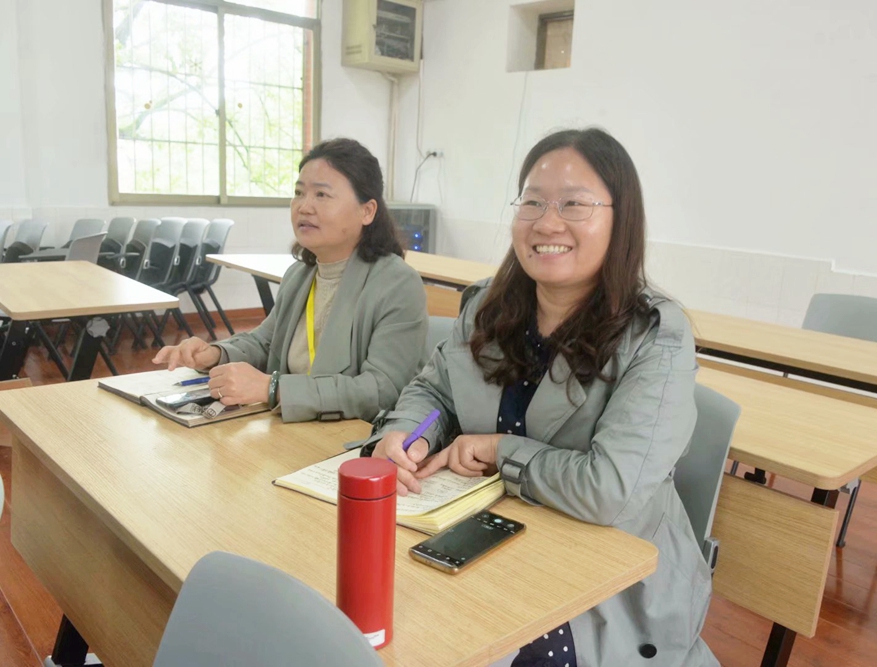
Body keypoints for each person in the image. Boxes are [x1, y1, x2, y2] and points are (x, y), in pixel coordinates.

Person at [359, 128, 717, 665]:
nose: (547, 223)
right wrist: (407, 433)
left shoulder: (654, 335)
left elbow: (610, 492)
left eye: (574, 204)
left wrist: (501, 451)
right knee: (380, 619)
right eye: (532, 202)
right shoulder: (489, 305)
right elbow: (435, 390)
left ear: (621, 219)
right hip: (483, 537)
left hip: (601, 585)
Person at [153, 138, 428, 423]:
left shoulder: (397, 284)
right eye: (298, 193)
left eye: (322, 195)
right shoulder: (300, 274)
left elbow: (381, 390)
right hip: (295, 427)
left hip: (354, 437)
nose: (304, 207)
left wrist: (273, 389)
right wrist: (214, 354)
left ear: (367, 211)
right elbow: (265, 342)